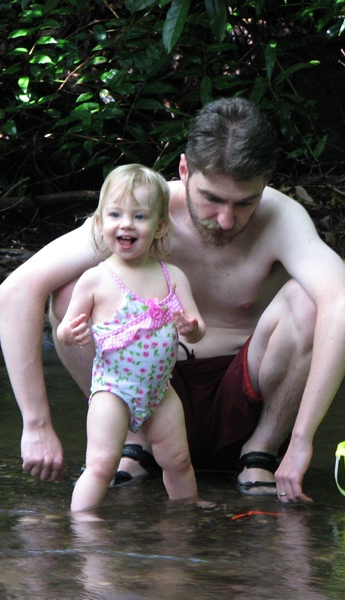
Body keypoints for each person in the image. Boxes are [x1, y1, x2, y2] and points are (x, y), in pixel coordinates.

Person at [0, 97, 345, 503]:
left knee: (310, 302)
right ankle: (132, 445)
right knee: (70, 292)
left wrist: (301, 442)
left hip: (243, 390)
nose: (227, 220)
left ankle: (260, 451)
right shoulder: (142, 214)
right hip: (147, 390)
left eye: (245, 202)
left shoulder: (282, 217)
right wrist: (36, 425)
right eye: (212, 198)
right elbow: (17, 292)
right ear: (185, 170)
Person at [55, 164, 205, 512]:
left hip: (159, 389)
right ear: (100, 223)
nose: (126, 224)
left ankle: (186, 515)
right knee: (102, 465)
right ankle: (83, 526)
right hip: (113, 389)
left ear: (160, 226)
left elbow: (198, 328)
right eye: (116, 214)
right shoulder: (96, 279)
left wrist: (190, 328)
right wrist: (69, 332)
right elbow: (65, 328)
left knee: (179, 459)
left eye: (139, 216)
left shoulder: (173, 277)